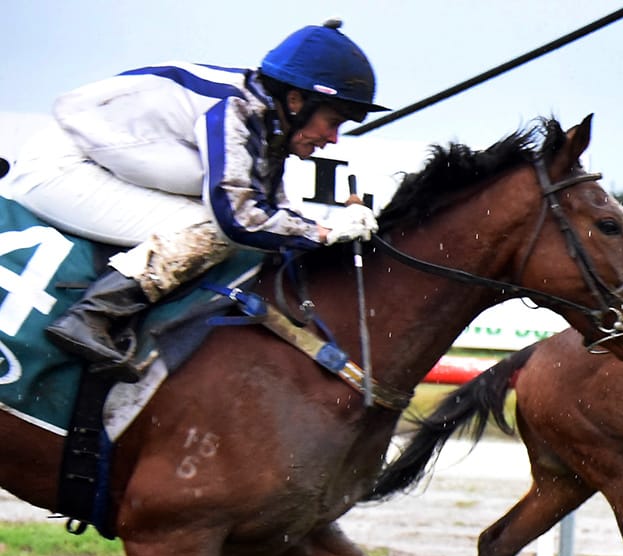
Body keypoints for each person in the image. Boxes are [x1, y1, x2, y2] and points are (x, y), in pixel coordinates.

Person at [3, 19, 385, 380]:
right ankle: (90, 317)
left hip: (94, 167)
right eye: (333, 122)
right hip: (61, 170)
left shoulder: (264, 119)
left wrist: (327, 232)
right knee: (213, 231)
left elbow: (276, 211)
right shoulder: (237, 109)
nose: (333, 139)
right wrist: (324, 231)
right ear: (297, 100)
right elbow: (239, 219)